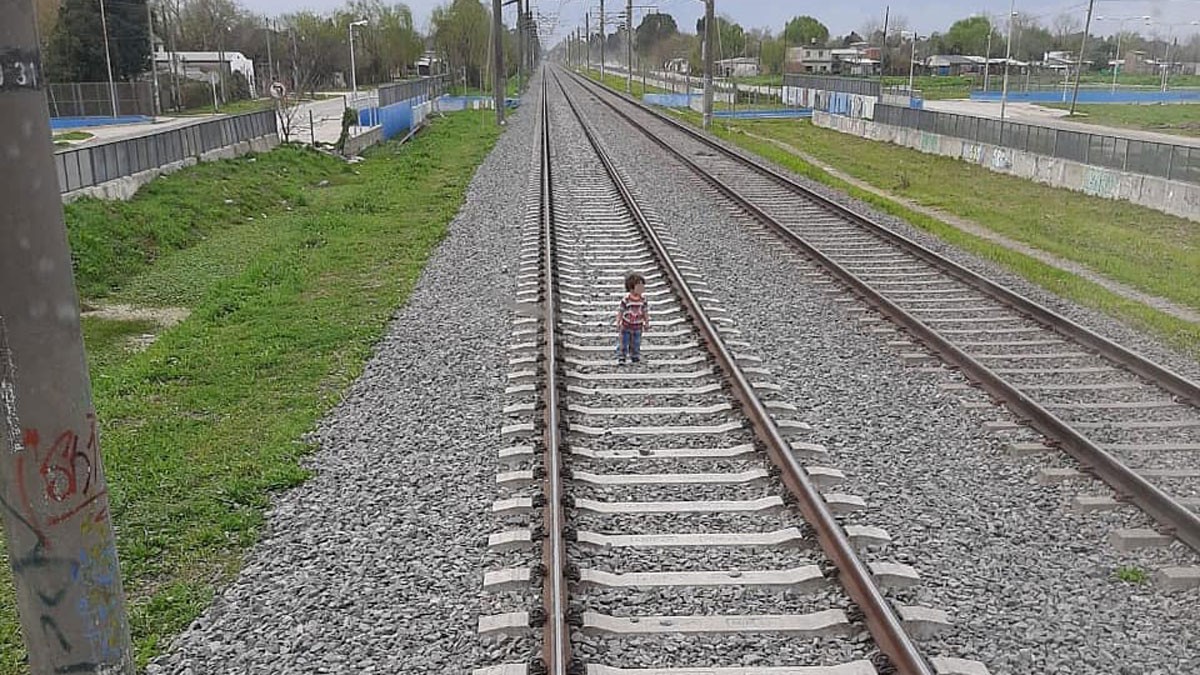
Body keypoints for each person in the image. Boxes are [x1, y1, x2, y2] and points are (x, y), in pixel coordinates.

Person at [616, 272, 650, 364]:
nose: (642, 288)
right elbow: (621, 310)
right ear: (631, 288)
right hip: (626, 325)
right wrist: (618, 321)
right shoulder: (626, 299)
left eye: (642, 286)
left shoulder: (643, 300)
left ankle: (635, 356)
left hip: (638, 326)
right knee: (623, 341)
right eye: (639, 286)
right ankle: (622, 356)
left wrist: (647, 322)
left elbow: (645, 312)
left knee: (636, 342)